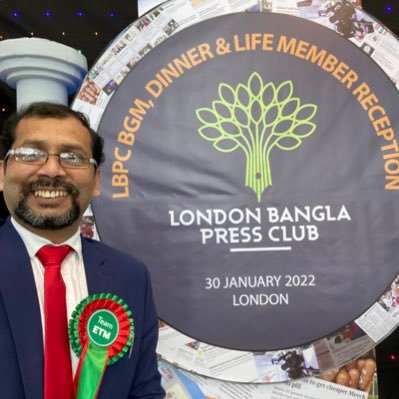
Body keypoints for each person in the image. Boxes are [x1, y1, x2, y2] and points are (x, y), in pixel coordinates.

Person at [0, 102, 165, 399]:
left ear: (97, 180)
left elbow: (144, 391)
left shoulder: (131, 277)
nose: (52, 169)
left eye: (72, 157)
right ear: (2, 173)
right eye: (31, 154)